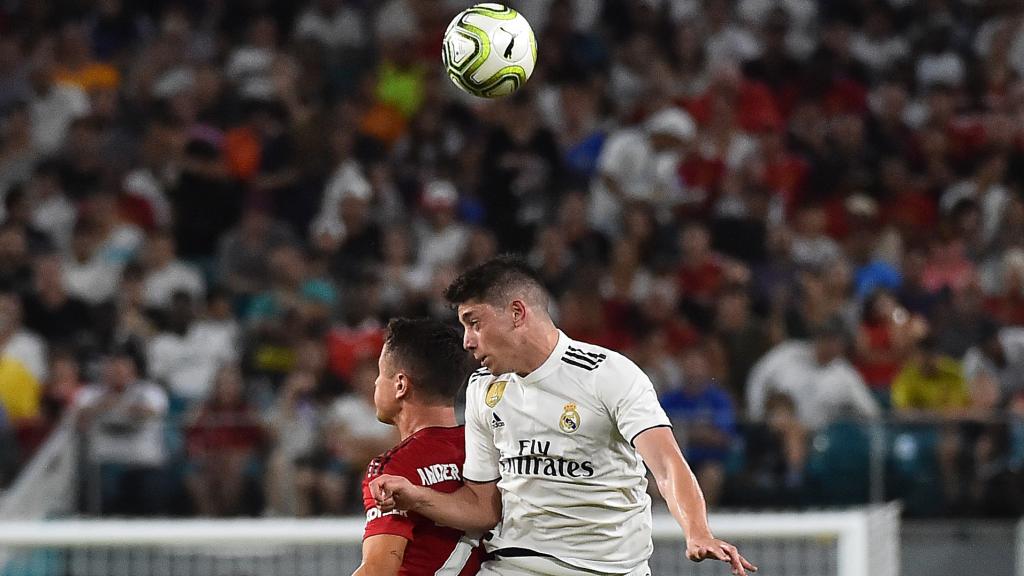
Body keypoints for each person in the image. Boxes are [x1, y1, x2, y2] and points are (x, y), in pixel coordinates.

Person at [371, 256, 756, 576]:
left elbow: (668, 466)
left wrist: (697, 530)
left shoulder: (607, 374)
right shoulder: (483, 390)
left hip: (608, 571)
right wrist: (417, 497)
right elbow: (482, 507)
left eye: (474, 322)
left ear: (517, 313)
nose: (468, 340)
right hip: (514, 567)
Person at [353, 317, 482, 576]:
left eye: (381, 374)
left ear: (400, 385)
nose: (376, 383)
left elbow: (378, 571)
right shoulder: (486, 450)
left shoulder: (392, 470)